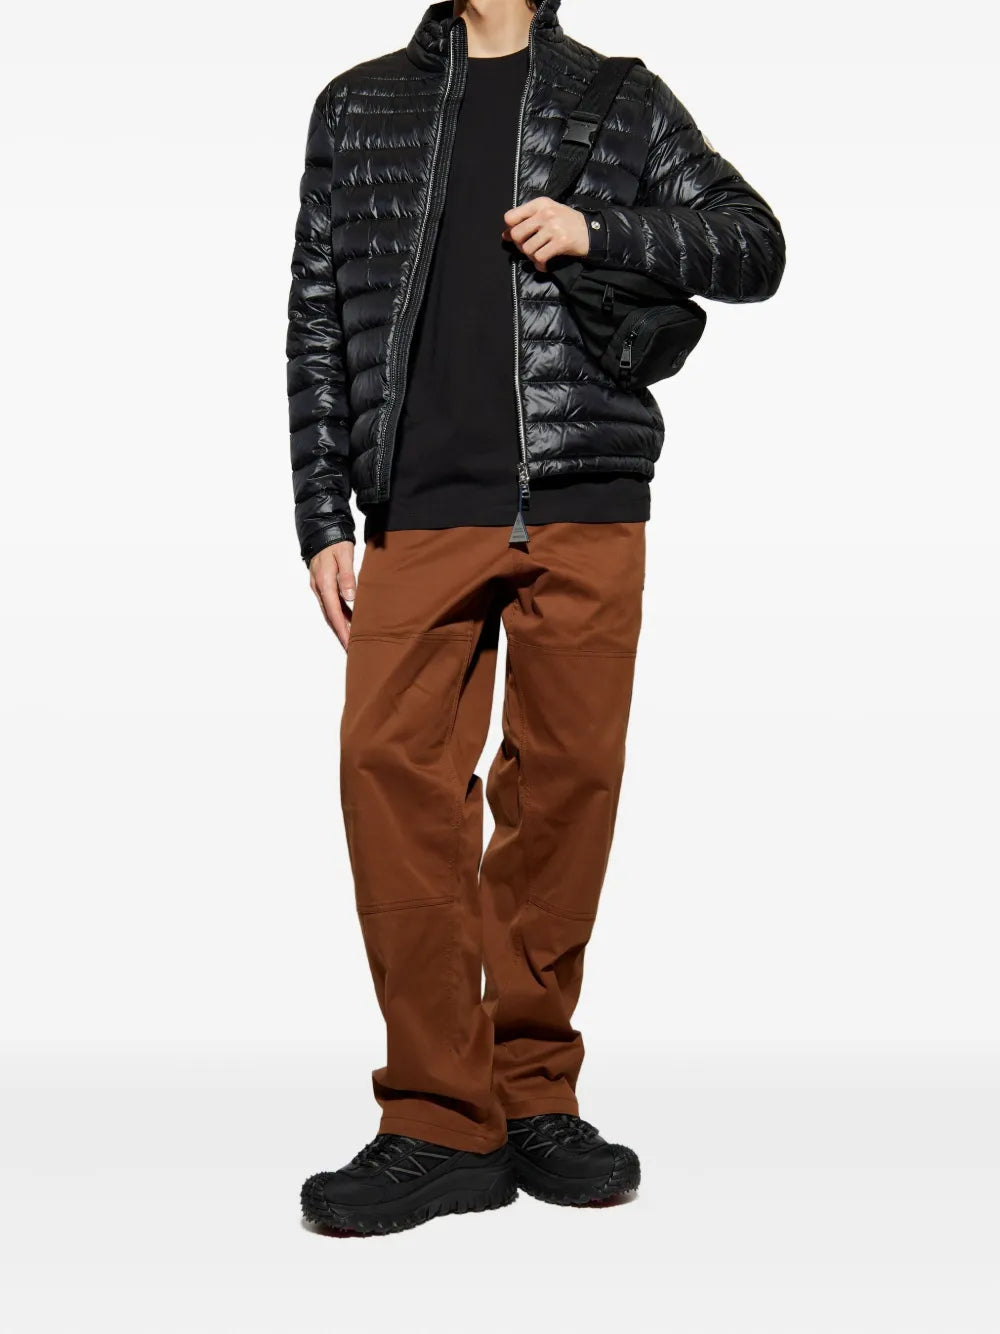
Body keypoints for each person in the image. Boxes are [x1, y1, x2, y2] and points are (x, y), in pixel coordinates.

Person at [288, 0, 784, 1235]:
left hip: (585, 498)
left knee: (562, 793)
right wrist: (320, 512)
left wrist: (598, 227)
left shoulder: (619, 98)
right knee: (387, 775)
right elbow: (315, 314)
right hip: (419, 504)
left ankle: (530, 1093)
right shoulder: (357, 104)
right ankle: (436, 1114)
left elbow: (754, 245)